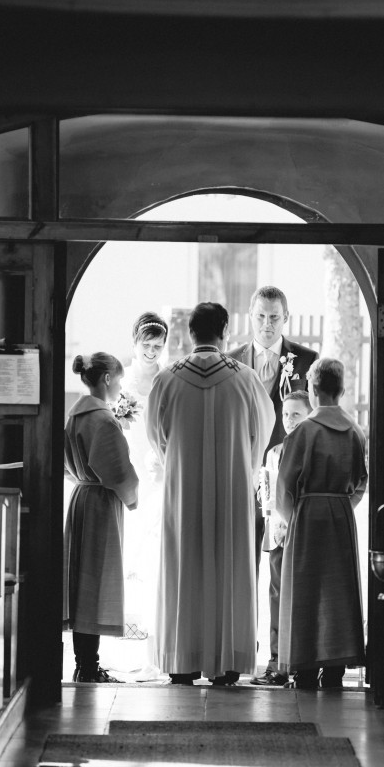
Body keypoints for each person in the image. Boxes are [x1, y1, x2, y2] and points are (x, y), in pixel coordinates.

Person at [146, 302, 274, 686]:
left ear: (189, 333)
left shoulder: (168, 379)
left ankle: (182, 660)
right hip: (232, 489)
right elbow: (262, 431)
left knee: (184, 565)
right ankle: (228, 661)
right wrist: (244, 466)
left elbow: (156, 437)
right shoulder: (246, 379)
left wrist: (180, 461)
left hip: (183, 488)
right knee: (229, 566)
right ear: (225, 332)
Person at [228, 284, 318, 680]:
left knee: (282, 575)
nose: (267, 324)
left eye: (275, 317)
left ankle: (279, 657)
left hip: (287, 481)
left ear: (287, 318)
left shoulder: (307, 361)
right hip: (242, 479)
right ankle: (238, 652)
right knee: (241, 570)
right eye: (261, 316)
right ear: (251, 317)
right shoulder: (230, 362)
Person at [276, 358, 367, 690]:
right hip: (340, 514)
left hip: (309, 513)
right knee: (337, 592)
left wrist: (292, 516)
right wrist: (341, 504)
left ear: (313, 391)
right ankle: (335, 667)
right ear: (341, 390)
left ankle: (303, 667)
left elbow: (285, 484)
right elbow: (360, 482)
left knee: (307, 590)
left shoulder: (303, 432)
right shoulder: (355, 431)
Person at [64, 352, 139, 683]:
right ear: (107, 379)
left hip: (81, 495)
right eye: (119, 380)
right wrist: (134, 497)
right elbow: (118, 471)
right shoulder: (103, 420)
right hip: (100, 502)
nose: (120, 386)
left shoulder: (75, 415)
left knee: (82, 582)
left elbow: (67, 463)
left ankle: (84, 662)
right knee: (94, 581)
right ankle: (89, 665)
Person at [250, 390, 312, 686]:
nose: (289, 420)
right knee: (276, 596)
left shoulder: (311, 447)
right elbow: (270, 493)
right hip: (277, 533)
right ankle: (276, 661)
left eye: (296, 414)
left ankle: (301, 660)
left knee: (301, 598)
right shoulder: (274, 452)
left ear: (309, 415)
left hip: (302, 531)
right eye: (286, 414)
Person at [120, 312, 168, 669]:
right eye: (146, 345)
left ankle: (154, 624)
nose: (151, 351)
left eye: (157, 346)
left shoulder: (167, 380)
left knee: (155, 548)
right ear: (135, 343)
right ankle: (130, 623)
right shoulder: (124, 382)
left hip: (161, 467)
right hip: (133, 460)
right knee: (132, 546)